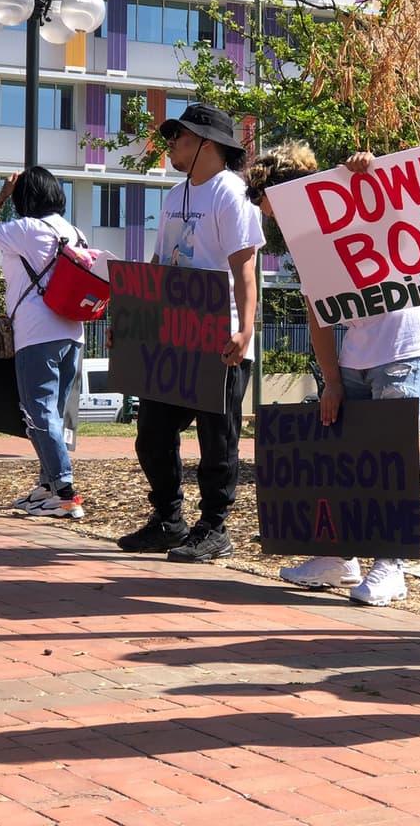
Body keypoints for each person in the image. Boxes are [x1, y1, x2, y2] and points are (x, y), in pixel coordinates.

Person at [246, 143, 420, 606]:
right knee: (347, 459)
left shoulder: (355, 200)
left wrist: (370, 173)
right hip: (355, 356)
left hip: (404, 348)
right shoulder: (308, 240)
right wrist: (331, 379)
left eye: (269, 206)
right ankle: (339, 559)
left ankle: (390, 568)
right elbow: (318, 316)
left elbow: (407, 216)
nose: (270, 219)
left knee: (391, 460)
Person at [115, 103, 264, 562]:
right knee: (152, 432)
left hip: (220, 339)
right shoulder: (173, 195)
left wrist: (245, 330)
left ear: (207, 144)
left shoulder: (230, 193)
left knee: (217, 439)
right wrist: (137, 323)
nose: (172, 144)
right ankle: (169, 520)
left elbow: (245, 269)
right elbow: (161, 266)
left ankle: (215, 526)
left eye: (179, 137)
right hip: (174, 336)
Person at [0, 167, 86, 519]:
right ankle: (48, 487)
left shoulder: (26, 228)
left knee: (40, 413)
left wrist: (1, 195)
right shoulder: (73, 231)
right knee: (53, 414)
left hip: (36, 332)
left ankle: (65, 492)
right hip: (73, 332)